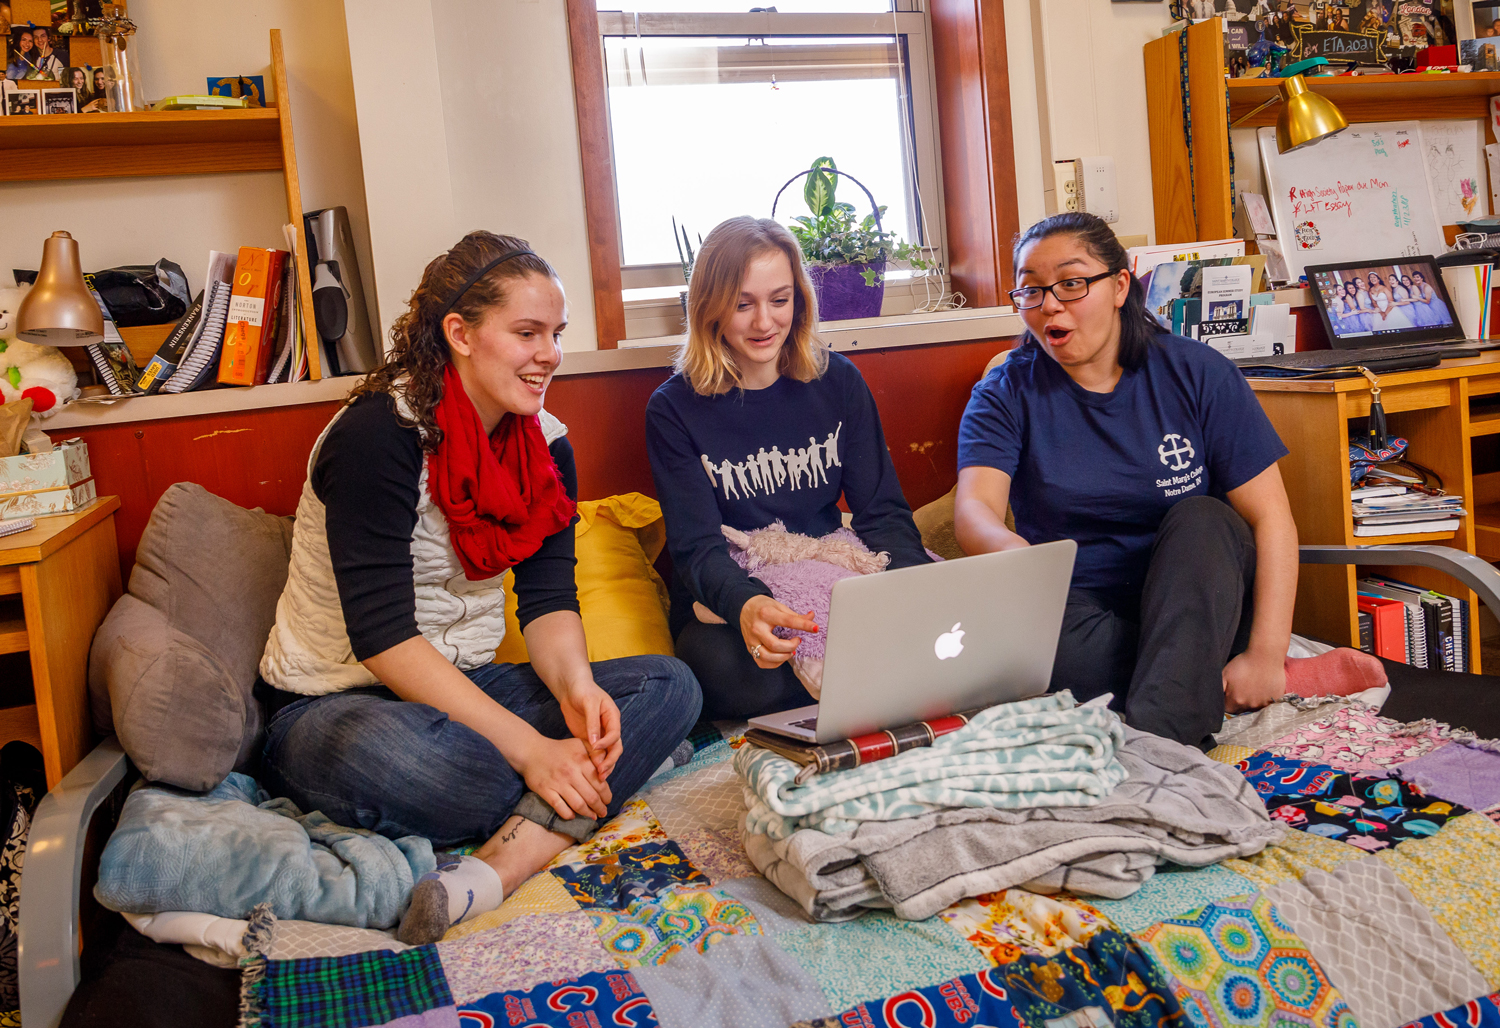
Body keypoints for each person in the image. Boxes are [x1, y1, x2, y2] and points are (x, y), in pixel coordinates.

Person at [258, 230, 701, 945]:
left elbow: (550, 600)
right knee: (454, 771)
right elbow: (383, 640)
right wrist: (532, 750)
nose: (550, 355)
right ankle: (598, 785)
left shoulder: (546, 442)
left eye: (555, 334)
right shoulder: (378, 436)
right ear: (459, 334)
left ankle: (504, 862)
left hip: (463, 689)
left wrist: (578, 692)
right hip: (332, 710)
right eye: (527, 333)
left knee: (672, 687)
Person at [954, 212, 1298, 750]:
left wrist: (1267, 654)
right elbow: (975, 511)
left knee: (1205, 517)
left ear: (1118, 286)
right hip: (1081, 607)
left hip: (1201, 594)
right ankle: (1190, 683)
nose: (1049, 304)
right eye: (1030, 290)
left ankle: (1155, 745)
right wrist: (1018, 558)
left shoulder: (1197, 372)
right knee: (1011, 650)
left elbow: (1271, 518)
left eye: (1071, 282)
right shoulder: (1004, 390)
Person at [645, 217, 931, 721]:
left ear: (799, 299)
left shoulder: (838, 380)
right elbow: (697, 549)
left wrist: (913, 592)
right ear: (710, 308)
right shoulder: (673, 409)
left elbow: (881, 510)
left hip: (827, 576)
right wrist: (749, 608)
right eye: (742, 304)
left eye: (779, 300)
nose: (763, 323)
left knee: (932, 609)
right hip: (731, 593)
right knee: (723, 672)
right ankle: (866, 675)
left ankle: (853, 671)